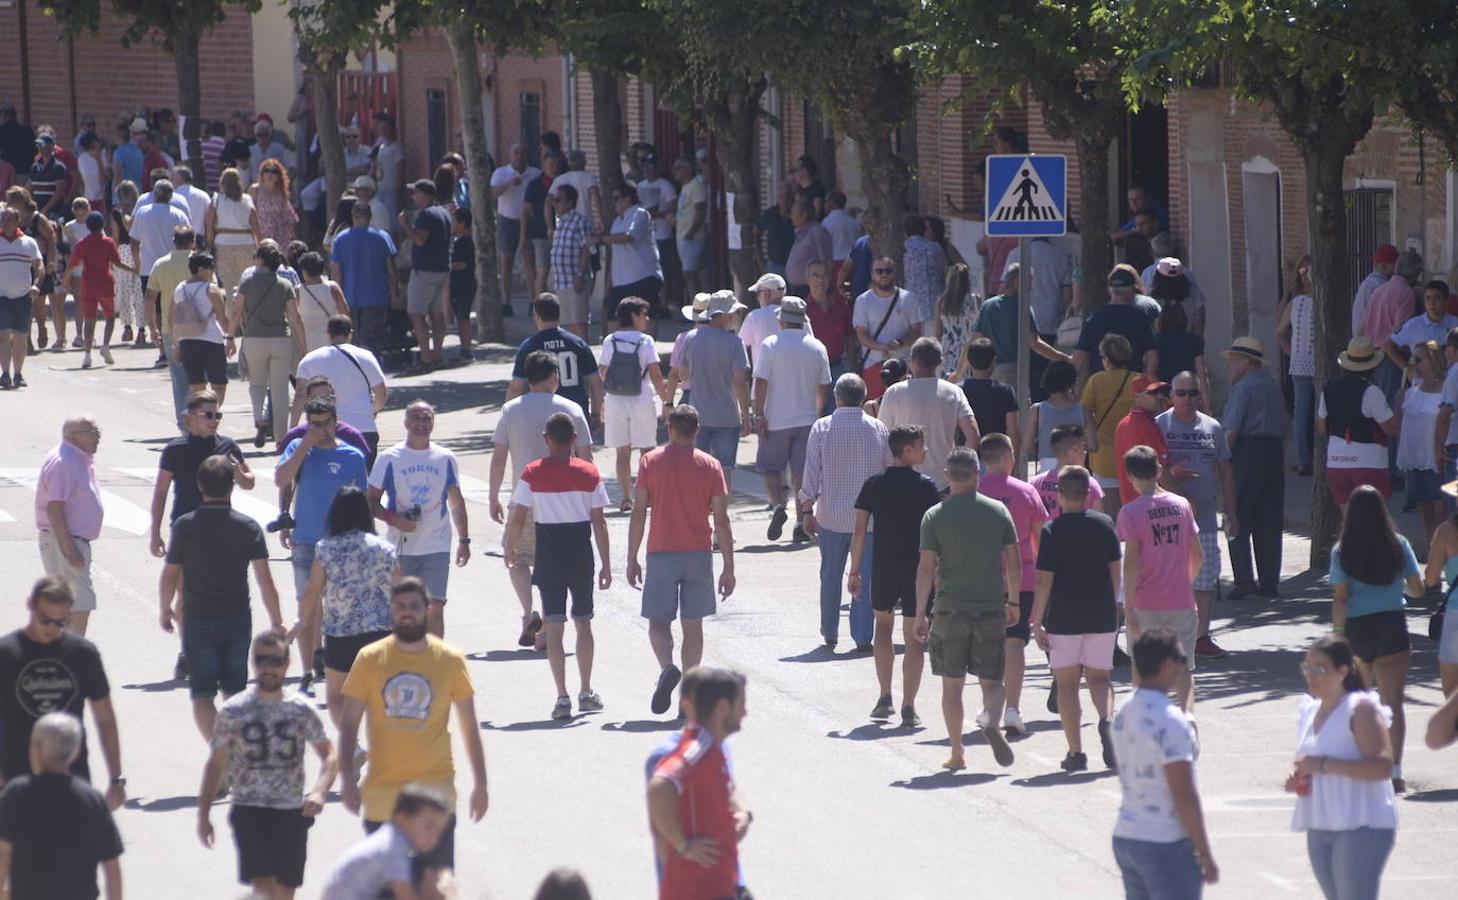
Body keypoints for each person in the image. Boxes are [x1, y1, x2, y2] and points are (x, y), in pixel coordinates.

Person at [337, 580, 490, 886]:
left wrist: (481, 784)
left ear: (428, 610)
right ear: (391, 611)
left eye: (414, 607)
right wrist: (347, 779)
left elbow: (469, 727)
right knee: (386, 892)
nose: (407, 613)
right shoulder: (369, 659)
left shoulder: (450, 660)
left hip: (436, 798)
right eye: (401, 607)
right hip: (383, 799)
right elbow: (349, 723)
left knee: (436, 888)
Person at [197, 630, 337, 900]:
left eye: (275, 660)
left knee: (285, 891)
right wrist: (203, 814)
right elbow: (215, 765)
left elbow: (330, 756)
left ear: (287, 664)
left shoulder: (300, 709)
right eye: (261, 660)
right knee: (264, 891)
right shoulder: (233, 711)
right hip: (250, 811)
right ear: (253, 663)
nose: (267, 667)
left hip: (291, 813)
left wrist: (320, 791)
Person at [162, 454, 286, 742]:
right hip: (237, 618)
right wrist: (277, 620)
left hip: (197, 618)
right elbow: (265, 581)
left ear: (199, 486)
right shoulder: (248, 527)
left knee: (202, 694)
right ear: (232, 487)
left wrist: (165, 607)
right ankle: (234, 748)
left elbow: (170, 574)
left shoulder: (184, 526)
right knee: (234, 691)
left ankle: (220, 753)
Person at [915, 446, 1020, 770]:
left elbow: (925, 568)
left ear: (948, 476)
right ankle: (990, 718)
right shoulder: (998, 512)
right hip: (990, 608)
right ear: (978, 475)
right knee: (992, 682)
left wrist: (921, 612)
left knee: (952, 684)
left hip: (949, 610)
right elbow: (1013, 563)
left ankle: (958, 751)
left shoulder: (935, 515)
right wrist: (1013, 600)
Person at [628, 406, 737, 715]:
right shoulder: (711, 466)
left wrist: (632, 556)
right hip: (698, 554)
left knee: (658, 622)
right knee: (693, 626)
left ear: (669, 427)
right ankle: (688, 699)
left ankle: (666, 668)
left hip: (661, 550)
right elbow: (722, 520)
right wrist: (729, 567)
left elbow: (638, 513)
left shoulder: (650, 462)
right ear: (697, 430)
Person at [506, 412, 612, 720]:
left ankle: (562, 697)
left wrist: (511, 548)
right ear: (574, 439)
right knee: (583, 623)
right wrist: (606, 563)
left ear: (546, 439)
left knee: (554, 628)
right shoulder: (590, 472)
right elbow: (599, 522)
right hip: (580, 556)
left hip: (549, 557)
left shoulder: (532, 472)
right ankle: (586, 690)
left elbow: (520, 515)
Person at [491, 350, 594, 649]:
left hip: (523, 498)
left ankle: (528, 613)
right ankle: (548, 627)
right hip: (565, 503)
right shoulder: (571, 407)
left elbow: (499, 457)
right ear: (553, 377)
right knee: (554, 567)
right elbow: (586, 457)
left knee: (515, 558)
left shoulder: (510, 410)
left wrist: (493, 496)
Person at [150, 390, 255, 677]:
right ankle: (188, 651)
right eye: (208, 415)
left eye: (217, 414)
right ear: (189, 418)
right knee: (186, 592)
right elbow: (160, 492)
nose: (214, 421)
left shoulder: (228, 446)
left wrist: (237, 471)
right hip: (186, 528)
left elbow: (249, 482)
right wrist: (155, 532)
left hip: (223, 529)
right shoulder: (175, 450)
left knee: (225, 591)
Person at [1286, 635, 1398, 900]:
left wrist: (1323, 765)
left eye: (1320, 668)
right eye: (1308, 668)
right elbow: (1310, 763)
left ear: (1342, 671)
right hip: (1321, 824)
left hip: (1362, 825)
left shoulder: (1360, 708)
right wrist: (1298, 777)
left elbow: (1382, 767)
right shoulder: (1309, 710)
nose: (1312, 675)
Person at [1111, 628, 1218, 897]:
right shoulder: (1170, 720)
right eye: (1182, 661)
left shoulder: (1124, 711)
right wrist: (1203, 852)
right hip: (1165, 842)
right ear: (1167, 665)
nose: (1184, 668)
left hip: (1128, 835)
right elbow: (1183, 794)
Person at [1329, 485, 1421, 794]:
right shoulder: (1399, 544)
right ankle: (1395, 770)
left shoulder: (1342, 550)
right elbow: (1418, 588)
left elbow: (1340, 598)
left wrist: (1339, 636)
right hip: (1392, 624)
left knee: (1360, 703)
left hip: (1358, 630)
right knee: (1393, 702)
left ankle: (1365, 763)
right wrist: (1399, 591)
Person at [0, 577, 125, 805]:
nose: (51, 628)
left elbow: (105, 718)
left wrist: (116, 779)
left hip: (72, 779)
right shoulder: (6, 653)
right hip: (16, 779)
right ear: (31, 605)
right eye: (45, 620)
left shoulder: (82, 654)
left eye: (60, 622)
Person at [275, 397, 370, 692]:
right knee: (308, 607)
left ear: (335, 421)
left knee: (340, 608)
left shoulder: (353, 455)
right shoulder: (298, 448)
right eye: (315, 424)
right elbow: (281, 479)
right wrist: (305, 445)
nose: (322, 430)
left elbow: (362, 502)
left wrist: (366, 540)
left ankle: (336, 665)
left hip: (342, 544)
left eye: (326, 423)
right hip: (307, 541)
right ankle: (306, 671)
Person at [1031, 465, 1121, 770]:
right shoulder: (1105, 523)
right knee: (1100, 678)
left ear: (1059, 496)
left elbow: (1044, 580)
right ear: (1087, 494)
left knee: (1067, 684)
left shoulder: (1052, 531)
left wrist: (1036, 620)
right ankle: (1107, 720)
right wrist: (1114, 604)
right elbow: (1115, 572)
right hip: (1101, 611)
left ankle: (1076, 752)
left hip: (1064, 616)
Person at [800, 374, 889, 652]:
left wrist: (806, 508)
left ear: (836, 397)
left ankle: (830, 631)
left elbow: (811, 474)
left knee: (830, 574)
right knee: (864, 575)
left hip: (830, 516)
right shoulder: (878, 428)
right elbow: (887, 472)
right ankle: (862, 636)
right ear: (863, 397)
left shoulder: (821, 427)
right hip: (869, 520)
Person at [297, 486, 398, 728]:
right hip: (380, 634)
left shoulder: (326, 549)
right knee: (378, 698)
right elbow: (401, 589)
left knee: (335, 698)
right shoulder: (384, 549)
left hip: (340, 635)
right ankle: (380, 751)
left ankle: (353, 748)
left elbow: (311, 591)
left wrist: (299, 622)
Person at [368, 401, 470, 639]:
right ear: (405, 422)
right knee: (402, 611)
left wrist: (464, 540)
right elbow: (369, 501)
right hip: (400, 548)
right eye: (416, 418)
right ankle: (403, 662)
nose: (421, 424)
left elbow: (456, 502)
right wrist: (394, 518)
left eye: (427, 419)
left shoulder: (445, 457)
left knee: (434, 608)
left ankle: (434, 665)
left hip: (436, 545)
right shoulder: (389, 458)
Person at [647, 668, 748, 900]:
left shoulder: (714, 748)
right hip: (695, 890)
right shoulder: (696, 749)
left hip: (719, 886)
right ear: (722, 708)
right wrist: (682, 845)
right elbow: (659, 786)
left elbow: (729, 787)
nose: (745, 712)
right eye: (741, 704)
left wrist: (743, 813)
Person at [0, 713, 123, 900]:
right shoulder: (92, 799)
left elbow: (3, 852)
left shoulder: (16, 794)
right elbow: (111, 864)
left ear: (37, 749)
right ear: (74, 753)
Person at [974, 433, 1050, 737]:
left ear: (983, 460)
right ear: (1009, 458)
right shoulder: (1026, 492)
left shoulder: (973, 490)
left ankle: (990, 707)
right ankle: (1013, 709)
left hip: (982, 579)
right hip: (1024, 578)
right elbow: (1039, 539)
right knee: (1015, 643)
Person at [1158, 372, 1238, 660]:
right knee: (1170, 580)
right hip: (1167, 521)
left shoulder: (1213, 427)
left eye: (1193, 393)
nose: (1188, 399)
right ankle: (1170, 638)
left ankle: (1201, 636)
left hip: (1203, 518)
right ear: (1171, 396)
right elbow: (1149, 468)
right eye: (1181, 393)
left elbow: (1225, 468)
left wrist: (1231, 510)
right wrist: (1170, 475)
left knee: (1205, 580)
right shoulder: (1160, 425)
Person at [1117, 446, 1202, 712]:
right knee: (1184, 666)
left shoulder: (1129, 513)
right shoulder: (1181, 505)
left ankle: (1146, 717)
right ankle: (1187, 716)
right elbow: (1196, 555)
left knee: (1141, 666)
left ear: (1130, 476)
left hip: (1145, 601)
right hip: (1180, 599)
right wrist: (1184, 582)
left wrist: (1127, 604)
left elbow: (1131, 562)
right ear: (1159, 470)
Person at [754, 298, 832, 542]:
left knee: (770, 468)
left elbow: (761, 382)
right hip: (807, 419)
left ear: (782, 319)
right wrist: (817, 413)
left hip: (776, 419)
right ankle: (801, 521)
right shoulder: (817, 346)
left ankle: (778, 507)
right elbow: (824, 385)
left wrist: (758, 413)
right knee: (802, 475)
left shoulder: (770, 344)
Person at [35, 416, 106, 637]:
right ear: (73, 436)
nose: (98, 438)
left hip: (67, 540)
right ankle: (70, 659)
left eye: (98, 432)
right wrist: (70, 551)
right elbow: (54, 508)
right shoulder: (65, 462)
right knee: (78, 606)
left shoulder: (74, 458)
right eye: (92, 433)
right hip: (65, 541)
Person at [879, 337, 979, 493]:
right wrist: (959, 471)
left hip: (903, 481)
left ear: (912, 361)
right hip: (943, 481)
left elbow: (882, 438)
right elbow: (973, 435)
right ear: (940, 362)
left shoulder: (894, 392)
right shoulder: (953, 392)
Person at [321, 783, 452, 900]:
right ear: (402, 818)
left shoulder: (392, 838)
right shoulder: (393, 847)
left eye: (439, 831)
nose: (434, 836)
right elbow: (406, 897)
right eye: (429, 826)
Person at [233, 242, 306, 447]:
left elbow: (237, 311)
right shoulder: (285, 284)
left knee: (257, 384)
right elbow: (295, 317)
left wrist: (230, 336)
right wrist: (303, 344)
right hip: (281, 340)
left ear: (261, 259)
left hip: (254, 339)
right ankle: (281, 439)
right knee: (280, 390)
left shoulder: (247, 283)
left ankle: (261, 418)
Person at [291, 316, 388, 466]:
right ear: (350, 333)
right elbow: (381, 394)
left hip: (325, 429)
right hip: (364, 428)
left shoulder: (310, 359)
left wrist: (293, 429)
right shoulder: (366, 356)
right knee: (361, 484)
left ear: (328, 334)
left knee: (329, 483)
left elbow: (300, 394)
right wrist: (370, 410)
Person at [601, 297, 669, 510]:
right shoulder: (645, 341)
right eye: (643, 314)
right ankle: (647, 495)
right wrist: (667, 400)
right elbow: (656, 374)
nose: (647, 319)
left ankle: (626, 497)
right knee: (647, 452)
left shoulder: (609, 340)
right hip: (642, 400)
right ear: (633, 316)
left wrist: (604, 398)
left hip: (615, 401)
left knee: (622, 452)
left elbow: (603, 371)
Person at [679, 291, 751, 492]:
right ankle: (722, 516)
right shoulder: (735, 343)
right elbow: (740, 382)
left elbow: (684, 375)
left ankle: (700, 513)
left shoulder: (692, 339)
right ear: (727, 315)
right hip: (727, 416)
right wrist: (745, 414)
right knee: (724, 469)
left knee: (698, 467)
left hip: (698, 415)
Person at [1319, 336, 1398, 509]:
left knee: (1349, 523)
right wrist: (1399, 406)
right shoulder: (1372, 392)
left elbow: (1320, 427)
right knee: (1374, 521)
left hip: (1336, 463)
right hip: (1368, 464)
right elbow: (1391, 428)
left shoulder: (1329, 388)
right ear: (1372, 367)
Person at [507, 293, 604, 429]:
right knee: (579, 450)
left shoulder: (530, 346)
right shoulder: (577, 343)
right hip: (576, 413)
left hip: (542, 416)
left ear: (537, 316)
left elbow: (515, 387)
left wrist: (509, 419)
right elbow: (596, 382)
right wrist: (596, 414)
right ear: (559, 314)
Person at [971, 263, 1071, 388]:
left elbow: (975, 339)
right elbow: (1035, 344)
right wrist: (1064, 358)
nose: (1031, 287)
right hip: (1013, 371)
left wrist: (960, 372)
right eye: (1029, 282)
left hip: (988, 370)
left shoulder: (988, 305)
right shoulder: (1023, 307)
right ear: (1017, 282)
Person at [65, 211, 135, 369]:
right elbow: (116, 263)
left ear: (88, 226)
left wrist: (65, 280)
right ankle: (105, 346)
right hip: (105, 282)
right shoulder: (108, 242)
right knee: (110, 317)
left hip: (88, 284)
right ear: (102, 225)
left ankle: (88, 354)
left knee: (89, 320)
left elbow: (72, 264)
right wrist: (132, 269)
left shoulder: (82, 243)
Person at [329, 203, 400, 356]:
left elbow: (336, 274)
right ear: (370, 216)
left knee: (351, 339)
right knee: (372, 341)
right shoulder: (383, 237)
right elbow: (391, 270)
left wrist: (335, 299)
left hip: (349, 298)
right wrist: (395, 293)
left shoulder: (341, 239)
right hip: (376, 297)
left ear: (353, 216)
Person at [1082, 335, 1138, 516]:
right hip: (1134, 455)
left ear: (1106, 358)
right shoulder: (1138, 380)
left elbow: (1084, 411)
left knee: (1107, 516)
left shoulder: (1096, 381)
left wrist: (1090, 440)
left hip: (1103, 457)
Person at [853, 257, 924, 401]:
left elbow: (917, 331)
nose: (884, 274)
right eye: (879, 271)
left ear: (894, 273)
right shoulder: (863, 301)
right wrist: (880, 347)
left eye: (888, 270)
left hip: (903, 366)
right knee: (874, 411)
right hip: (874, 366)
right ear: (872, 275)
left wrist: (900, 342)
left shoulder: (909, 298)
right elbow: (861, 334)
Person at [1399, 340, 1448, 549]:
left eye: (1419, 359)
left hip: (1437, 456)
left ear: (1433, 361)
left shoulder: (1446, 391)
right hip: (1416, 458)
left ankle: (1448, 556)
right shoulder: (1411, 391)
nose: (1414, 364)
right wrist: (1397, 402)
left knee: (1442, 510)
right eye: (1412, 358)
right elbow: (1400, 425)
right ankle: (1433, 553)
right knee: (1426, 508)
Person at [402, 178, 453, 370]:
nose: (413, 196)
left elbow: (419, 240)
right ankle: (437, 354)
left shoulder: (425, 215)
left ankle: (425, 358)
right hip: (442, 269)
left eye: (415, 192)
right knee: (437, 313)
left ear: (425, 194)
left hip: (425, 270)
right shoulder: (444, 213)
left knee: (416, 313)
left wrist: (406, 225)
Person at [598, 184, 664, 331]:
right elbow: (615, 254)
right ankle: (616, 352)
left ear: (627, 199)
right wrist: (609, 284)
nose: (613, 203)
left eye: (616, 198)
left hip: (644, 277)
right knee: (613, 318)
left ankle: (649, 352)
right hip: (621, 281)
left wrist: (602, 239)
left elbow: (629, 237)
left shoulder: (640, 213)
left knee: (646, 318)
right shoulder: (616, 221)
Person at [1075, 266, 1159, 379]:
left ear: (1110, 290)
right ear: (1131, 290)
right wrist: (1146, 382)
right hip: (1131, 385)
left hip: (1100, 385)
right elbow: (1152, 355)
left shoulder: (1094, 319)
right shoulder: (1141, 319)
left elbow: (1080, 356)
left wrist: (1071, 386)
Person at [172, 251, 233, 403]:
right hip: (211, 341)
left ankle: (201, 420)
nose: (213, 270)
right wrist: (230, 336)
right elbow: (222, 318)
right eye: (211, 267)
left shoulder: (180, 288)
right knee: (219, 386)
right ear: (200, 269)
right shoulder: (211, 289)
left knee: (196, 388)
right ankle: (213, 414)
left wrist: (177, 345)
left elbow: (174, 318)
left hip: (187, 342)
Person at [1276, 257, 1317, 474]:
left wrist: (1292, 353)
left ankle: (1303, 459)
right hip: (1319, 365)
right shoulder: (1323, 302)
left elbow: (1279, 334)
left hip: (1299, 364)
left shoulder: (1295, 303)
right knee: (1320, 413)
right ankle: (1320, 458)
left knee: (1301, 412)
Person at [490, 143, 540, 313]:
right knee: (506, 262)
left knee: (529, 263)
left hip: (528, 222)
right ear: (511, 155)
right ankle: (506, 302)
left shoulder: (534, 174)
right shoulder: (501, 173)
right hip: (506, 220)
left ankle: (533, 301)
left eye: (523, 153)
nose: (519, 156)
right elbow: (492, 193)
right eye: (516, 153)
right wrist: (509, 184)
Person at [0, 205, 43, 389]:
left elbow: (39, 267)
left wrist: (36, 285)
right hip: (2, 296)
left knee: (20, 337)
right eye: (3, 219)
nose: (6, 223)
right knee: (3, 335)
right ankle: (5, 374)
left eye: (9, 219)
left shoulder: (29, 243)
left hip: (23, 297)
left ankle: (18, 373)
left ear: (18, 221)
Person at [1113, 375, 1173, 506]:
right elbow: (1163, 475)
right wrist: (1185, 497)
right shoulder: (1148, 426)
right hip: (1153, 508)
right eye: (1152, 392)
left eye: (1159, 392)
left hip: (1130, 507)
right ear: (1137, 396)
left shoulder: (1122, 424)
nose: (1158, 396)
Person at [803, 261, 854, 412]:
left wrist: (851, 367)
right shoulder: (802, 309)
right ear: (807, 279)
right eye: (816, 275)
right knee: (813, 417)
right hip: (812, 372)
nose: (821, 280)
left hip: (838, 368)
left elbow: (850, 338)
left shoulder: (841, 305)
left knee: (840, 415)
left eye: (824, 275)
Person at [547, 183, 594, 339]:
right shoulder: (559, 222)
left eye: (558, 200)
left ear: (570, 202)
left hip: (575, 280)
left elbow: (587, 248)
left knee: (579, 321)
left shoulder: (580, 221)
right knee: (568, 323)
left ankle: (585, 355)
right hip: (561, 281)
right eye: (554, 200)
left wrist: (580, 274)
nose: (555, 203)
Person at [1029, 424, 1107, 515]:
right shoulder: (1089, 484)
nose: (1085, 453)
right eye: (1083, 447)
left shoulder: (1035, 483)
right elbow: (1099, 521)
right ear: (1074, 450)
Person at [207, 167, 261, 295]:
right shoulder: (247, 199)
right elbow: (256, 229)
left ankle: (232, 313)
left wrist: (208, 247)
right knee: (247, 286)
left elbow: (209, 226)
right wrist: (260, 249)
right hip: (246, 244)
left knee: (229, 286)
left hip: (223, 245)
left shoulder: (217, 200)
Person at [1024, 359, 1085, 470]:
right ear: (1071, 383)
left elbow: (1027, 446)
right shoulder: (1082, 410)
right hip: (1076, 464)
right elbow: (1093, 445)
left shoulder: (1037, 409)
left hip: (1047, 466)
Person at [960, 338, 1018, 446]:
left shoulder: (959, 391)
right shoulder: (1006, 391)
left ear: (969, 362)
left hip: (966, 456)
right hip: (997, 456)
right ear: (993, 362)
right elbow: (1013, 430)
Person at [636, 154, 677, 303]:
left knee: (663, 270)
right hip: (644, 236)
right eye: (645, 167)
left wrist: (655, 214)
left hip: (662, 233)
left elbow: (673, 207)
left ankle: (663, 302)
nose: (647, 170)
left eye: (651, 167)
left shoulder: (665, 185)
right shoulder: (640, 186)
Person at [295, 250, 350, 354]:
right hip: (333, 340)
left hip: (309, 343)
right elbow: (345, 312)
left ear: (304, 272)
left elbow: (296, 319)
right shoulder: (332, 287)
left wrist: (302, 343)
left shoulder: (298, 291)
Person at [933, 263, 979, 381]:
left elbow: (937, 332)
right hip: (968, 350)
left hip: (947, 349)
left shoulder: (942, 302)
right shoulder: (975, 300)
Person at [785, 197, 833, 297]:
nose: (791, 216)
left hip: (809, 289)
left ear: (804, 215)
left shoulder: (817, 232)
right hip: (794, 287)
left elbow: (827, 262)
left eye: (794, 213)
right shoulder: (799, 233)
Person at [1351, 245, 1397, 339]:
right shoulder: (1378, 286)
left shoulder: (1369, 283)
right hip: (1369, 344)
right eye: (1394, 264)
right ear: (1384, 265)